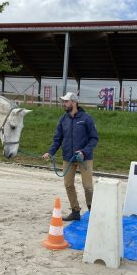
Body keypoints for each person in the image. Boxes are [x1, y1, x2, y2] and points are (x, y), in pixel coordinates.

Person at [42, 92, 99, 221]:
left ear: (74, 102)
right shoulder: (63, 119)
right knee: (68, 185)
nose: (64, 104)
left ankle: (92, 210)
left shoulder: (86, 118)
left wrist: (84, 152)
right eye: (63, 101)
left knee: (88, 186)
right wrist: (50, 152)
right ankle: (75, 211)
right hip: (68, 157)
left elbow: (94, 138)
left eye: (66, 101)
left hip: (84, 158)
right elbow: (57, 139)